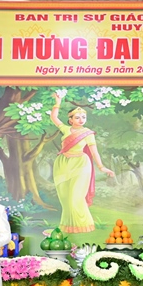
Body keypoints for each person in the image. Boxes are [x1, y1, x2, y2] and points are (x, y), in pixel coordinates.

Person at [51, 93, 115, 234]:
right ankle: (67, 226)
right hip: (63, 164)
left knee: (76, 197)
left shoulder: (88, 133)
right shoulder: (66, 130)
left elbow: (94, 152)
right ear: (70, 120)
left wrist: (102, 167)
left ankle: (83, 225)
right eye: (77, 117)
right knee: (65, 197)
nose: (81, 120)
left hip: (81, 164)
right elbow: (54, 118)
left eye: (83, 117)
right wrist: (58, 102)